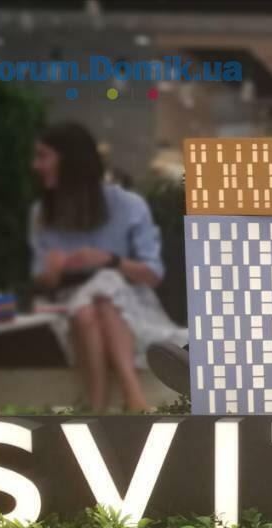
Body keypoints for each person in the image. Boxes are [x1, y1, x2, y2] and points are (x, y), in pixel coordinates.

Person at [29, 122, 183, 412]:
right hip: (69, 305)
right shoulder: (41, 213)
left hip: (130, 304)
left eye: (43, 156)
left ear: (70, 160)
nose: (36, 165)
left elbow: (153, 274)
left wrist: (109, 260)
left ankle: (98, 407)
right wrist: (53, 270)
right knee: (91, 303)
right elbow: (43, 280)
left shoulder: (129, 205)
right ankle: (132, 396)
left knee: (103, 288)